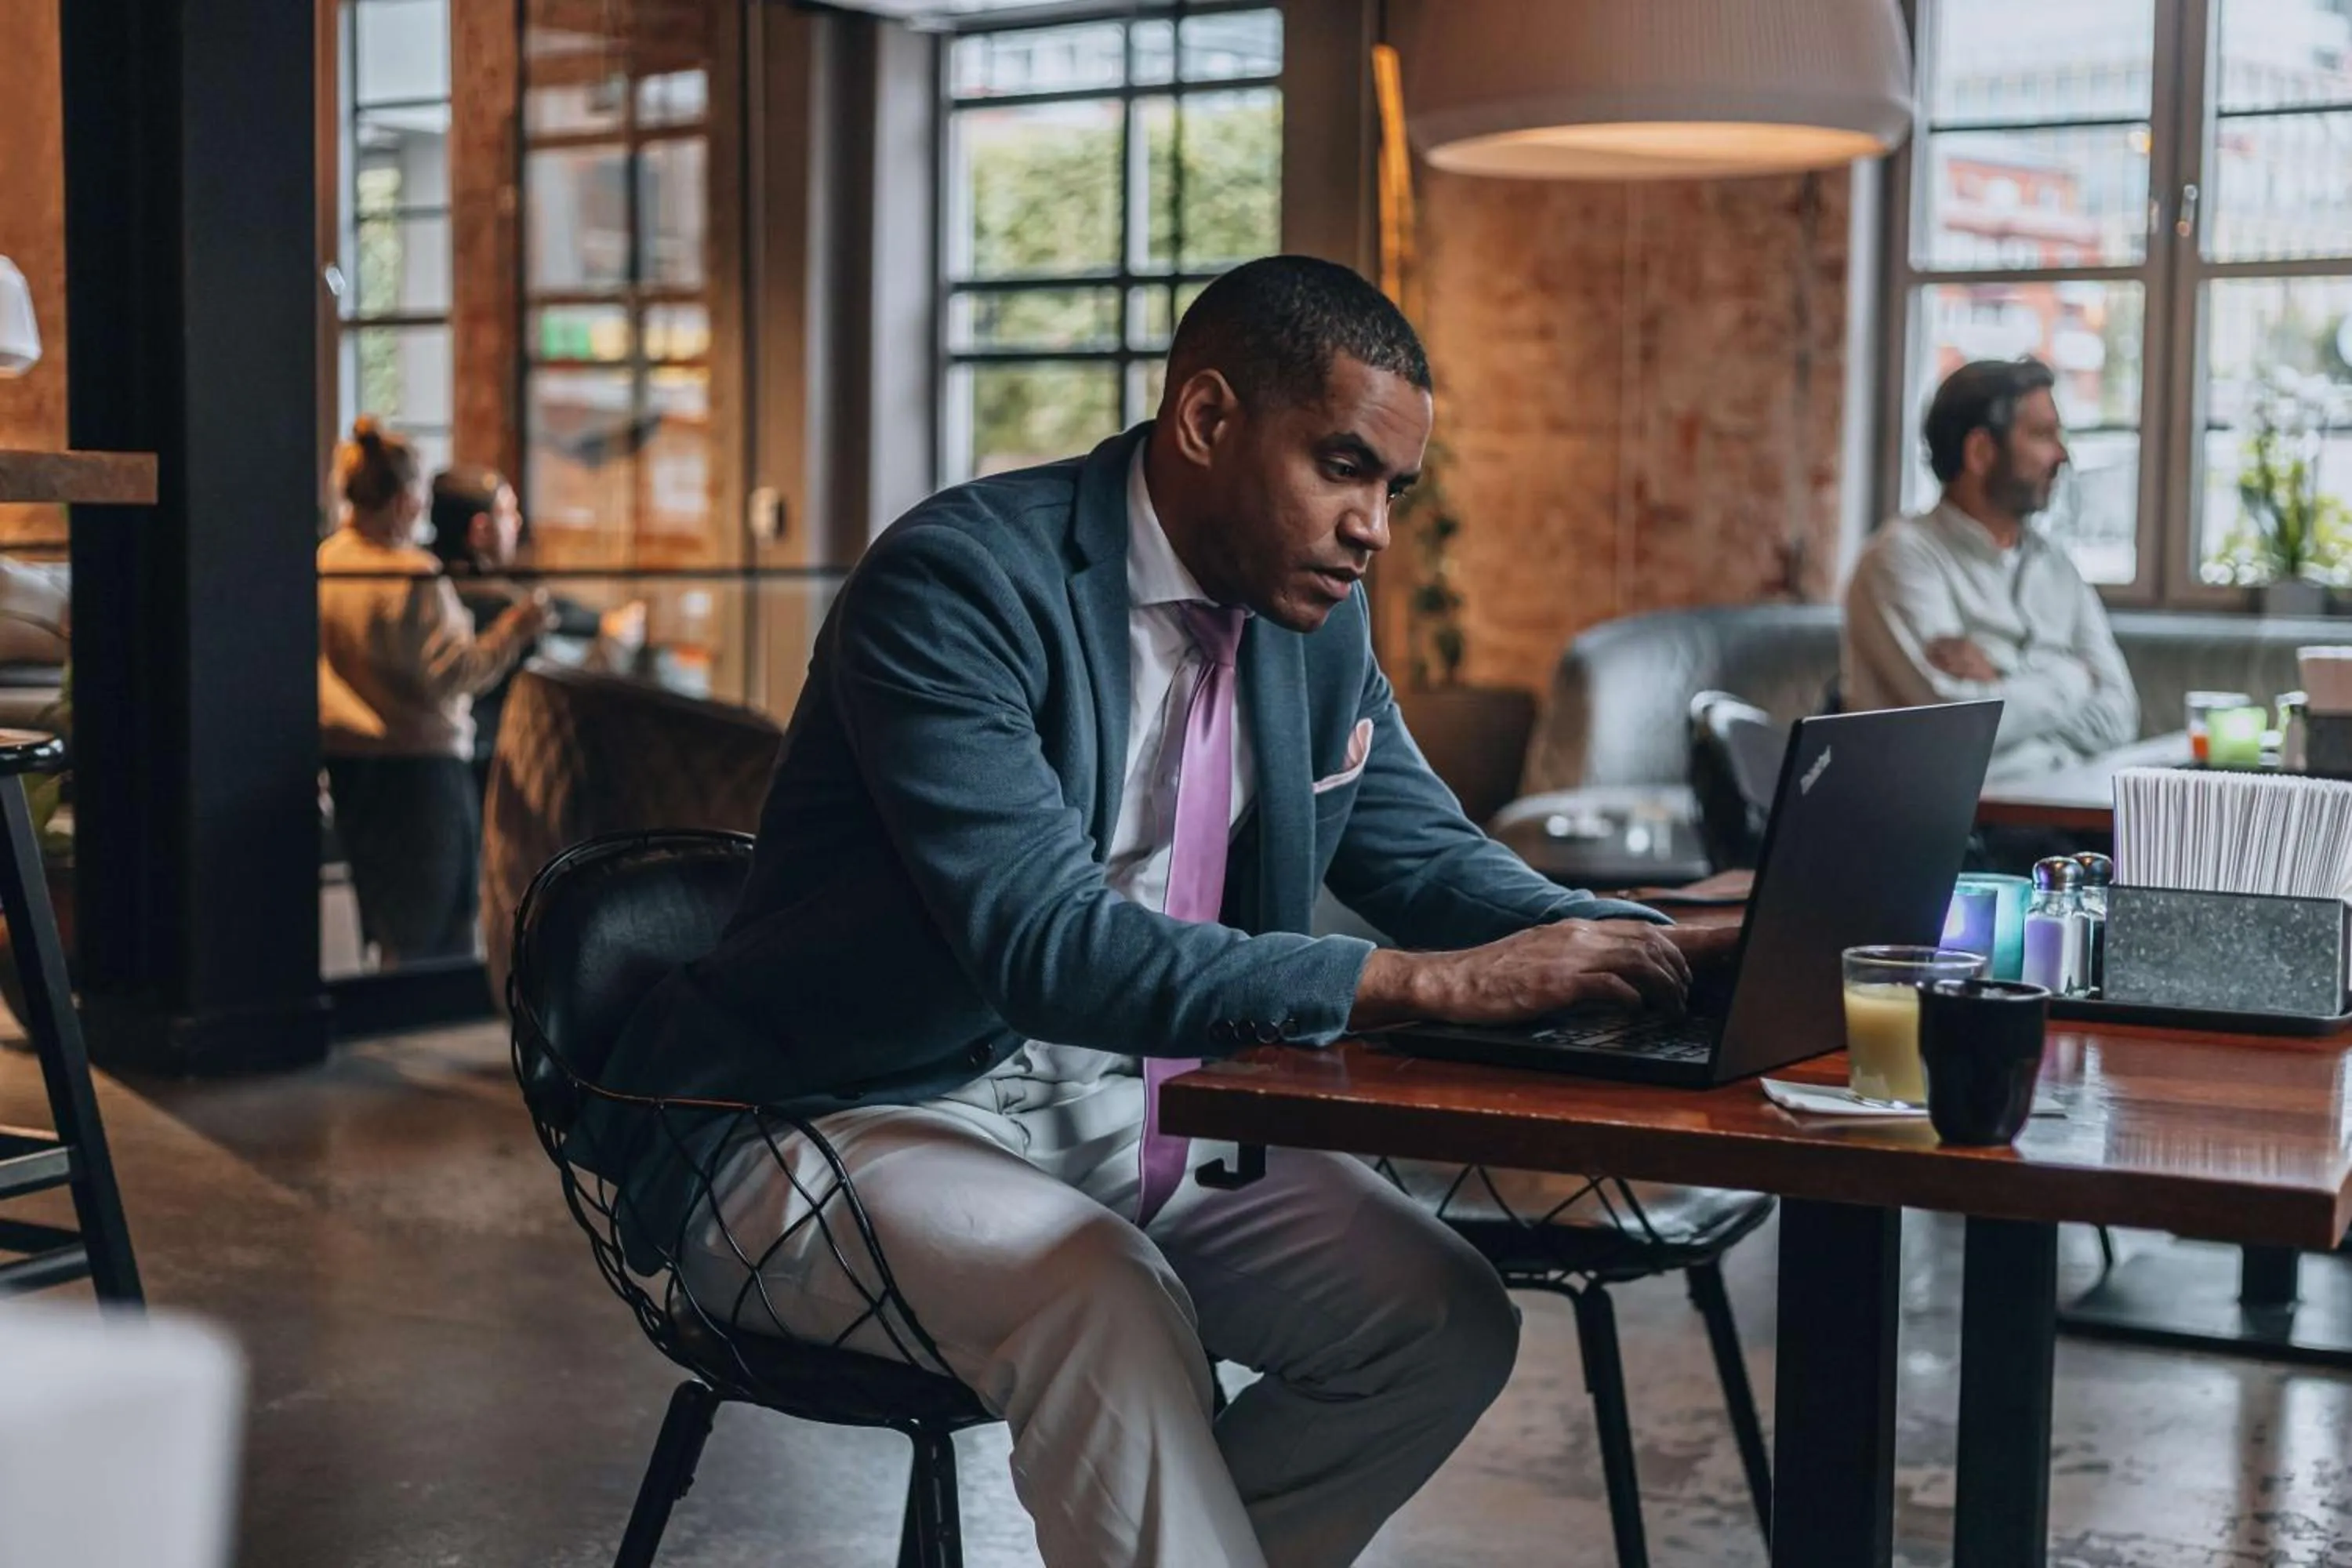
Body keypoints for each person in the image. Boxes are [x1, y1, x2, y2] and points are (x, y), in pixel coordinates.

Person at [587, 256, 1732, 1568]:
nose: (1376, 529)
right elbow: (1045, 945)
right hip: (836, 1122)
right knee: (1104, 1301)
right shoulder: (958, 587)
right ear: (1204, 420)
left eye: (1395, 490)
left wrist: (1667, 950)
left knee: (1441, 1318)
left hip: (1141, 1118)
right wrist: (1414, 985)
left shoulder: (1316, 628)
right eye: (1344, 467)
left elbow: (1435, 865)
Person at [318, 419, 557, 967]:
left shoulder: (329, 559)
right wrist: (516, 629)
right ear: (404, 501)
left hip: (351, 759)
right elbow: (455, 672)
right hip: (422, 767)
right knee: (437, 923)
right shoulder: (413, 577)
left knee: (385, 915)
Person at [1842, 357, 2139, 783]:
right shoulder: (1901, 559)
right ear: (1981, 452)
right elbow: (1957, 729)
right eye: (2041, 435)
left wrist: (2002, 678)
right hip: (1956, 832)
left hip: (2065, 819)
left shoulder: (2057, 567)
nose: (2062, 455)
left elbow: (2120, 717)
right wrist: (2075, 679)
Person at [426, 465, 646, 789]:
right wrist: (616, 641)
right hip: (492, 768)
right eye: (507, 512)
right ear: (481, 530)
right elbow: (555, 687)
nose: (517, 522)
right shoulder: (501, 608)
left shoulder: (431, 586)